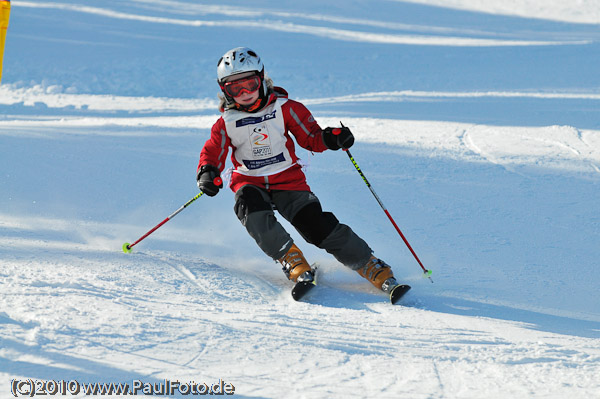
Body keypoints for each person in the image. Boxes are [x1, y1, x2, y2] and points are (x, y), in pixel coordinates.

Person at [197, 47, 400, 295]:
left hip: (289, 181)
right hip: (250, 182)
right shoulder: (226, 123)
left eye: (250, 84)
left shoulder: (286, 108)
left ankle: (370, 264)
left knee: (315, 224)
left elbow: (311, 137)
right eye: (234, 88)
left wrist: (331, 138)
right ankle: (291, 259)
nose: (244, 93)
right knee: (251, 211)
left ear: (262, 79)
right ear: (224, 91)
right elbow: (213, 151)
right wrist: (208, 172)